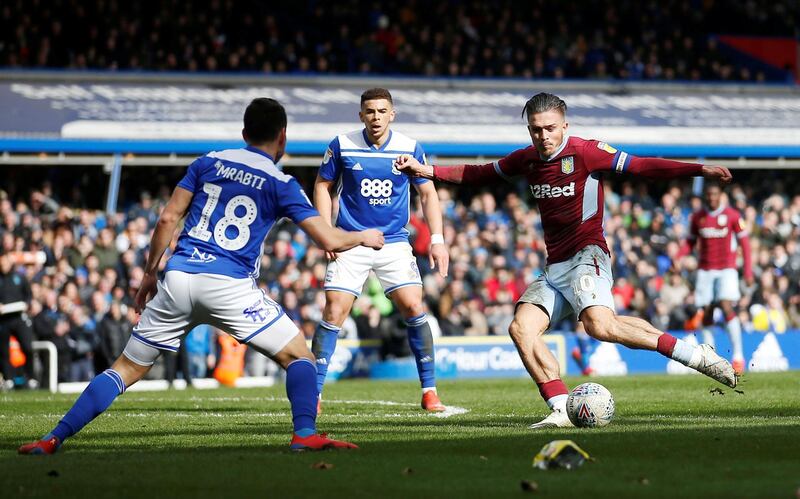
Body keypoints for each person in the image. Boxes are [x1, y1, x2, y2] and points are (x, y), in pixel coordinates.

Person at [18, 97, 384, 454]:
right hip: (230, 286)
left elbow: (166, 218)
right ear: (282, 137)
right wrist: (363, 236)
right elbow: (327, 238)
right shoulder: (280, 182)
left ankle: (53, 438)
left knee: (125, 368)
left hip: (178, 279)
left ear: (244, 131)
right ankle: (304, 434)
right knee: (300, 357)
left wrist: (149, 274)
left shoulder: (209, 162)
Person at [396, 92, 738, 429]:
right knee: (521, 328)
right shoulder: (527, 159)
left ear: (565, 125)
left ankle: (696, 356)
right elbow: (478, 174)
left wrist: (699, 170)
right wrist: (426, 170)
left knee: (600, 326)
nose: (543, 136)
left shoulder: (587, 152)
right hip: (555, 265)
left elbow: (642, 166)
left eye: (550, 128)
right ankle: (561, 407)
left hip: (588, 253)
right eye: (535, 129)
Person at [311, 88, 450, 412]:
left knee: (415, 307)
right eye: (369, 111)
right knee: (334, 311)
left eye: (381, 111)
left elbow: (428, 194)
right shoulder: (342, 144)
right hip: (352, 239)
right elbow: (322, 185)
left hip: (394, 242)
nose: (375, 117)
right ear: (361, 115)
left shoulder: (409, 148)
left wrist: (437, 239)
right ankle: (314, 394)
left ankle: (429, 391)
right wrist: (326, 232)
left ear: (392, 114)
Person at [679, 182, 752, 373]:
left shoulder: (732, 216)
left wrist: (749, 271)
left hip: (727, 268)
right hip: (705, 270)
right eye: (709, 194)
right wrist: (678, 257)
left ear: (721, 195)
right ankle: (712, 357)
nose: (712, 198)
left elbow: (745, 243)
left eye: (715, 194)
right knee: (707, 310)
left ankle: (738, 356)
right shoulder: (698, 217)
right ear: (705, 196)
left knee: (726, 305)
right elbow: (690, 242)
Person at [0, 250, 37, 390]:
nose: (3, 265)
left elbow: (28, 295)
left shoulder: (19, 277)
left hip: (19, 317)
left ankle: (32, 377)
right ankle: (8, 378)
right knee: (3, 351)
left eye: (5, 262)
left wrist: (28, 304)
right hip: (3, 320)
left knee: (27, 347)